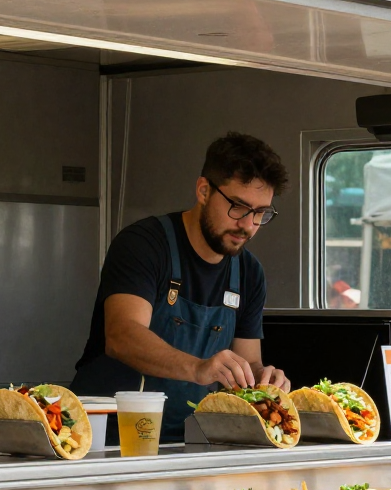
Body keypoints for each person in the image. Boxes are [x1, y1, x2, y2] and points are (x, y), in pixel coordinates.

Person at [72, 132, 291, 442]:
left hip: (188, 439)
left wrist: (263, 378)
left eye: (260, 213)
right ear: (203, 190)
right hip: (107, 438)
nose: (248, 225)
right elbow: (122, 336)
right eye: (239, 208)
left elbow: (248, 360)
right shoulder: (144, 245)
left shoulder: (249, 272)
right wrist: (199, 368)